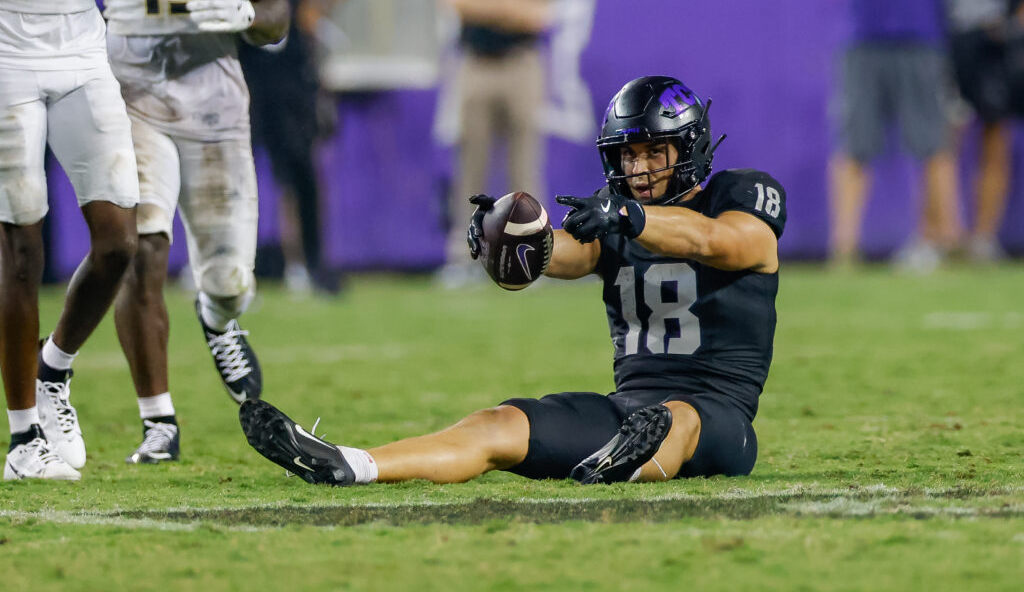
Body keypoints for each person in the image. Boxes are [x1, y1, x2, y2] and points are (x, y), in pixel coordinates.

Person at [239, 75, 787, 487]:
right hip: (625, 412)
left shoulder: (735, 197)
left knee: (676, 419)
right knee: (498, 423)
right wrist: (509, 237)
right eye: (627, 154)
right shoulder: (618, 218)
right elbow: (556, 254)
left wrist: (631, 219)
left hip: (719, 417)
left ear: (687, 150)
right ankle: (353, 465)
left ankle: (629, 466)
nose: (637, 168)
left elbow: (730, 242)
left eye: (652, 152)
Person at [99, 0, 289, 463]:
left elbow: (278, 16)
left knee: (231, 281)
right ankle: (158, 419)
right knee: (142, 246)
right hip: (126, 86)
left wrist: (246, 13)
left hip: (215, 95)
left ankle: (218, 316)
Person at [0, 0, 174, 481]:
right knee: (20, 244)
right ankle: (24, 436)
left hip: (81, 46)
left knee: (120, 241)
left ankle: (55, 365)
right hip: (6, 47)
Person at [822, 0, 963, 271]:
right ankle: (844, 248)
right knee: (854, 144)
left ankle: (947, 239)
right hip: (864, 41)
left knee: (932, 142)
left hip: (920, 39)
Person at [239, 0, 365, 295]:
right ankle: (228, 269)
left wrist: (322, 1)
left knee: (299, 160)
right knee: (230, 163)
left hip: (289, 59)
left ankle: (313, 263)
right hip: (236, 53)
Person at [437, 0, 555, 286]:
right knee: (471, 163)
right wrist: (509, 1)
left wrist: (483, 1)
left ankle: (533, 253)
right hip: (476, 64)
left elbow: (536, 15)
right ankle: (465, 255)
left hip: (521, 63)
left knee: (525, 164)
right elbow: (456, 0)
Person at [944, 0, 1024, 262]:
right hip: (952, 59)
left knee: (995, 144)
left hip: (997, 62)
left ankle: (983, 238)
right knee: (940, 148)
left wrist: (1007, 29)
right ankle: (941, 235)